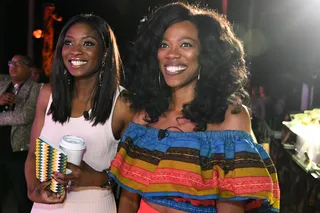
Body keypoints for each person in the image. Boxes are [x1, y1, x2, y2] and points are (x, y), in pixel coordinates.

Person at [110, 2, 280, 213]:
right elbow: (128, 200)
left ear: (206, 54)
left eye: (186, 45)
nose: (172, 54)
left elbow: (231, 207)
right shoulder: (143, 117)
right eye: (164, 45)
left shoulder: (230, 119)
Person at [24, 14, 133, 213]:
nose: (75, 51)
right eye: (68, 42)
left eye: (88, 43)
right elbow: (33, 155)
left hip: (94, 206)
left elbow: (133, 174)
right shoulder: (48, 94)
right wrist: (34, 191)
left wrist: (95, 177)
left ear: (105, 52)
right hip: (44, 207)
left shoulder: (122, 103)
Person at [0, 54, 41, 213]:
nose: (13, 66)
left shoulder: (37, 88)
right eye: (11, 63)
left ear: (30, 69)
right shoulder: (3, 84)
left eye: (19, 63)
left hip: (20, 153)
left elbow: (24, 116)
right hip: (1, 151)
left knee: (23, 198)